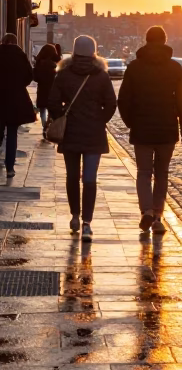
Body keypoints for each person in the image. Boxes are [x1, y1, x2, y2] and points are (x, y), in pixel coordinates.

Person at [117, 25, 182, 235]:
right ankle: (158, 216)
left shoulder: (134, 67)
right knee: (161, 174)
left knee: (143, 173)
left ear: (146, 40)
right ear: (164, 40)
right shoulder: (174, 68)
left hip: (141, 129)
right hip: (167, 129)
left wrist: (131, 122)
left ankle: (146, 211)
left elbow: (123, 100)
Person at [48, 35, 117, 238]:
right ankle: (87, 222)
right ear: (94, 52)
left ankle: (75, 215)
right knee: (89, 179)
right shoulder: (101, 76)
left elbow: (52, 102)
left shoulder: (64, 74)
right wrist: (99, 120)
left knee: (71, 176)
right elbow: (111, 104)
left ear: (75, 52)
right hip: (94, 135)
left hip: (70, 134)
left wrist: (61, 117)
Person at [0, 32, 36, 177]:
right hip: (15, 99)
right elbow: (29, 76)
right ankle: (10, 167)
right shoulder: (20, 55)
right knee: (12, 133)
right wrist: (18, 85)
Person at [32, 43, 60, 138]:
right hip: (52, 90)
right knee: (51, 110)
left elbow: (35, 78)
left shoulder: (40, 63)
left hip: (42, 89)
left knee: (42, 110)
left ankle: (44, 126)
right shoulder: (54, 65)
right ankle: (48, 125)